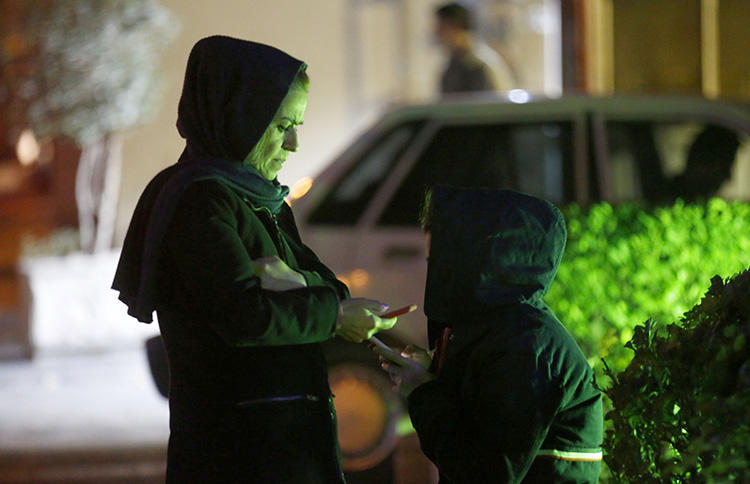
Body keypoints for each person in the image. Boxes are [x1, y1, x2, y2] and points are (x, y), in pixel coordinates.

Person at [112, 35, 397, 483]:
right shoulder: (200, 201)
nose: (294, 145)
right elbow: (244, 314)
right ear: (239, 116)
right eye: (283, 125)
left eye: (297, 125)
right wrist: (333, 314)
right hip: (238, 449)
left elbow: (328, 284)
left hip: (288, 442)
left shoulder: (262, 198)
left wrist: (306, 290)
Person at [374, 186, 603, 483]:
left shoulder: (528, 346)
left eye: (443, 263)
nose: (437, 274)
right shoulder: (500, 330)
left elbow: (487, 473)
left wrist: (423, 391)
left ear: (484, 261)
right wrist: (431, 375)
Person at [434, 2, 516, 94]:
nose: (436, 33)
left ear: (454, 27)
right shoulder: (453, 65)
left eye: (440, 27)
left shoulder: (479, 64)